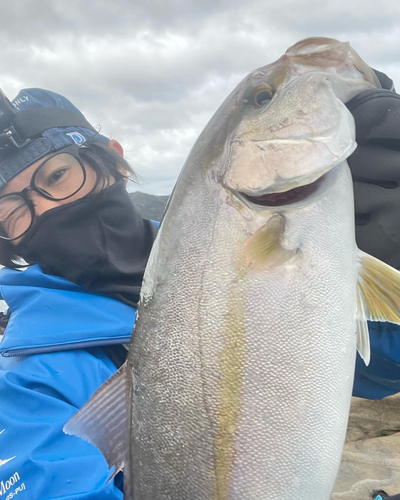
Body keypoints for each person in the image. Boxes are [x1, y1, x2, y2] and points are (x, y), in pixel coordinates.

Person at [0, 88, 157, 499]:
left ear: (115, 160)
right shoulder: (30, 386)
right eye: (13, 208)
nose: (46, 208)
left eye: (56, 175)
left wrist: (344, 247)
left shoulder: (231, 271)